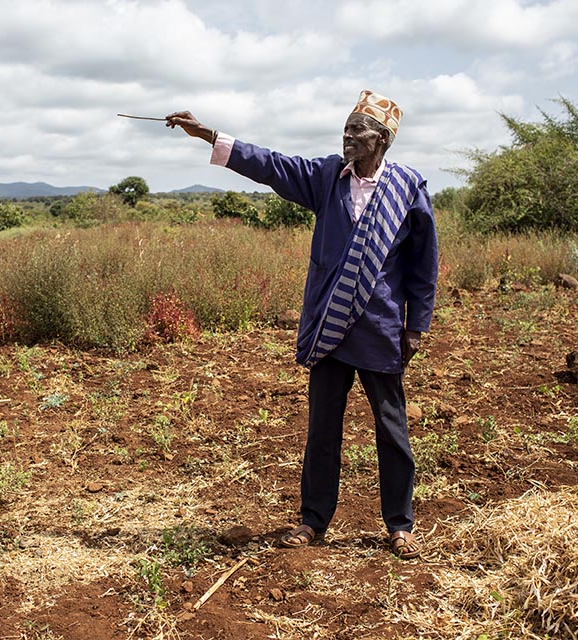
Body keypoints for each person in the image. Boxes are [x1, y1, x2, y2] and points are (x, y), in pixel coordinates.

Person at [166, 90, 438, 559]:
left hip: (380, 328)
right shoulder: (326, 177)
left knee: (392, 429)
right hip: (330, 325)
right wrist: (207, 134)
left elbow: (423, 262)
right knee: (322, 429)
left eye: (359, 130)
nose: (348, 136)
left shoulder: (407, 188)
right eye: (347, 127)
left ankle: (399, 524)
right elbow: (270, 164)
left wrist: (417, 325)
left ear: (383, 139)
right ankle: (313, 520)